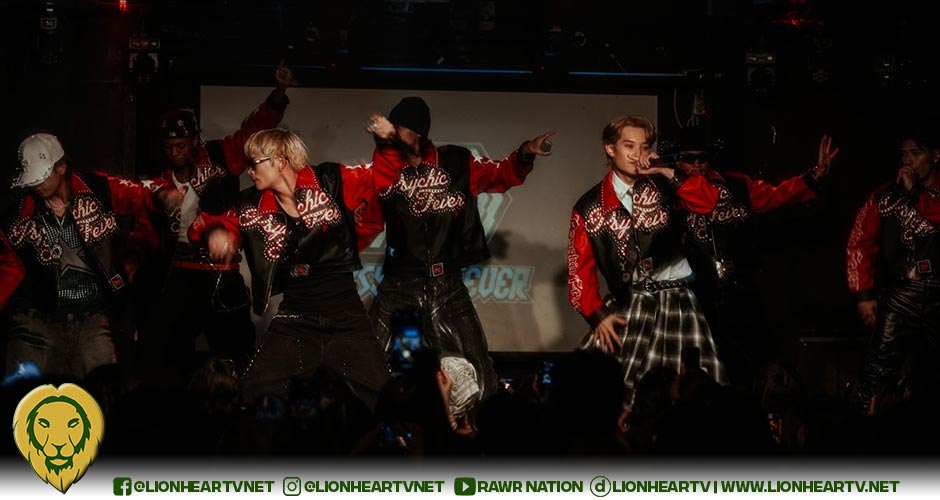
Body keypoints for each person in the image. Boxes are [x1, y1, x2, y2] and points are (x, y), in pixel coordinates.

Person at [366, 96, 554, 397]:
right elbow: (394, 172)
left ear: (417, 132)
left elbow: (500, 174)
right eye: (392, 127)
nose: (391, 133)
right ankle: (405, 423)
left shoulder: (456, 161)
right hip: (402, 288)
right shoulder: (387, 162)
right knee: (397, 368)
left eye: (399, 128)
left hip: (447, 287)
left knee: (478, 369)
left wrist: (524, 153)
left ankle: (480, 424)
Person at [195, 129, 389, 409]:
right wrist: (215, 233)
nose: (249, 170)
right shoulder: (250, 203)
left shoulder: (332, 180)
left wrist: (389, 142)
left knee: (383, 397)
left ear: (280, 161)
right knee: (252, 392)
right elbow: (216, 224)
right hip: (295, 318)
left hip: (345, 315)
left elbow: (380, 176)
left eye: (254, 163)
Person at [136, 64, 295, 387]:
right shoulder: (157, 177)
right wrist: (135, 258)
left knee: (239, 354)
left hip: (222, 273)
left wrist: (278, 95)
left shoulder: (222, 155)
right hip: (181, 274)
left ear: (195, 140)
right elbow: (145, 228)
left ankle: (241, 409)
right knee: (167, 357)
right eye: (168, 146)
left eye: (181, 145)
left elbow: (254, 129)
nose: (174, 152)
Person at [567, 115, 725, 403]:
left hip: (677, 301)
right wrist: (598, 315)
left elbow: (708, 202)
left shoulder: (666, 184)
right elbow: (579, 272)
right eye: (629, 146)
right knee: (604, 389)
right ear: (610, 148)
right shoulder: (589, 207)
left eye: (643, 147)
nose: (637, 154)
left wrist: (665, 170)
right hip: (630, 302)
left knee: (692, 392)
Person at [672, 125, 838, 385]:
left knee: (750, 365)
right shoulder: (670, 190)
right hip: (694, 294)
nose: (695, 165)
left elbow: (775, 195)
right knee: (699, 369)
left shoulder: (736, 184)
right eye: (688, 158)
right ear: (677, 160)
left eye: (701, 158)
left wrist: (814, 176)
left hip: (740, 290)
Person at [3, 133, 157, 379]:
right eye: (32, 179)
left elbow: (148, 199)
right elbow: (8, 266)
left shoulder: (98, 189)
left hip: (92, 317)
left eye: (42, 177)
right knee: (22, 393)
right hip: (37, 321)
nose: (37, 185)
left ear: (61, 168)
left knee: (104, 389)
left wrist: (137, 251)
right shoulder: (18, 209)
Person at [847, 126, 940, 413]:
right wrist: (863, 294)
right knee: (877, 371)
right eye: (904, 154)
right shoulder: (885, 197)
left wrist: (915, 193)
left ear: (935, 156)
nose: (908, 160)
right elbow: (860, 242)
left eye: (916, 153)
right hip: (902, 295)